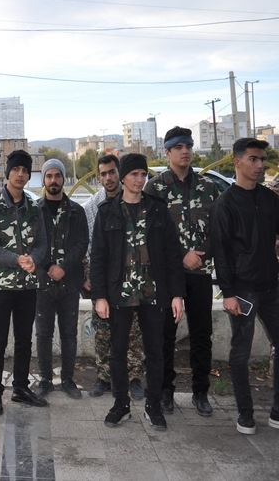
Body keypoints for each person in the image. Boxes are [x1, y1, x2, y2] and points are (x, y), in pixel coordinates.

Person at [91, 153, 185, 431]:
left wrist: (177, 294)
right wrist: (99, 296)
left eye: (143, 174)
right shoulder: (107, 212)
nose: (140, 179)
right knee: (117, 352)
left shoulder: (158, 209)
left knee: (155, 352)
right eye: (134, 174)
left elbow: (172, 254)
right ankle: (121, 404)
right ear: (123, 177)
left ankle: (153, 405)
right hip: (119, 295)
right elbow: (98, 257)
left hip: (153, 294)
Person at [144, 126, 219, 417]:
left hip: (200, 272)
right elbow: (151, 233)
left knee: (202, 334)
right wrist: (182, 254)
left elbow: (218, 229)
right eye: (178, 147)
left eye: (188, 146)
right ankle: (165, 390)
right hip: (167, 275)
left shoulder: (208, 187)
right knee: (164, 335)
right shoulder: (155, 188)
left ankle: (201, 391)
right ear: (167, 152)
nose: (185, 151)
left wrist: (201, 255)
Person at [210, 137, 279, 435]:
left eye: (261, 159)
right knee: (241, 352)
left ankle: (277, 410)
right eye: (253, 159)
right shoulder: (224, 205)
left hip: (272, 286)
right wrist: (229, 293)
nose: (259, 165)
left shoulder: (270, 199)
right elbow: (221, 253)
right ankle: (245, 413)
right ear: (236, 162)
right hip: (243, 291)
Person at [0, 150, 48, 415]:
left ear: (29, 175)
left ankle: (20, 387)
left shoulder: (34, 207)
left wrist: (33, 260)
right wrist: (17, 259)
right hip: (0, 287)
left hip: (27, 286)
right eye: (16, 169)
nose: (20, 174)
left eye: (25, 170)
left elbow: (42, 244)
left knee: (24, 339)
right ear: (8, 172)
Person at [83, 154, 146, 400]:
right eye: (103, 174)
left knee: (134, 333)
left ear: (120, 173)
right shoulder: (93, 207)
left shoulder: (135, 200)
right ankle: (103, 377)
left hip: (132, 280)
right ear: (99, 177)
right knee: (102, 331)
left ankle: (135, 378)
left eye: (112, 172)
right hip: (103, 281)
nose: (108, 178)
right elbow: (91, 249)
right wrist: (91, 279)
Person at [33, 159, 88, 399]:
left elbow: (81, 243)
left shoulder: (76, 211)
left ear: (63, 179)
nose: (53, 180)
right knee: (43, 334)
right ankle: (45, 379)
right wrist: (48, 267)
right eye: (49, 176)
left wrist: (63, 267)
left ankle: (67, 379)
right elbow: (32, 243)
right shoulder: (34, 210)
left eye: (57, 176)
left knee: (69, 333)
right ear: (44, 180)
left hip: (69, 283)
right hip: (43, 283)